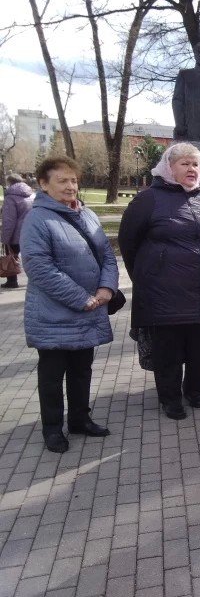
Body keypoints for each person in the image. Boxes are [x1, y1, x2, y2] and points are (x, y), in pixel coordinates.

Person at [20, 156, 118, 453]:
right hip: (54, 315)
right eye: (62, 180)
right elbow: (39, 268)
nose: (70, 186)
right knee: (52, 375)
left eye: (73, 180)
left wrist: (106, 289)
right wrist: (82, 299)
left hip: (89, 308)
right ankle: (52, 428)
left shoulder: (87, 214)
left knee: (82, 369)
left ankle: (79, 419)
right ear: (44, 184)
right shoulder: (37, 219)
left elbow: (108, 256)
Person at [118, 142, 200, 420]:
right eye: (185, 163)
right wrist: (147, 275)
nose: (192, 169)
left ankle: (193, 389)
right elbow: (128, 242)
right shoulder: (148, 199)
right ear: (169, 167)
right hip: (164, 294)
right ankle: (170, 398)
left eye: (196, 164)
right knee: (169, 351)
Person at [2, 173, 35, 289]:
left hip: (15, 234)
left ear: (10, 182)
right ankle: (36, 280)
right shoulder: (32, 195)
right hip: (31, 231)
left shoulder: (10, 197)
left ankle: (12, 281)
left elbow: (9, 220)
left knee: (11, 257)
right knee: (32, 257)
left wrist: (5, 239)